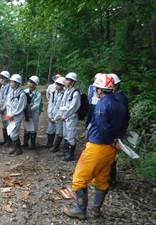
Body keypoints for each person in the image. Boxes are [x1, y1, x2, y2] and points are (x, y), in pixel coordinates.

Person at [63, 74, 129, 220]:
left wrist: (111, 139)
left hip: (98, 146)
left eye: (96, 89)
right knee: (102, 178)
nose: (95, 92)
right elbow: (125, 123)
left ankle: (80, 209)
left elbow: (102, 126)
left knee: (79, 179)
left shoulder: (102, 104)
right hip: (111, 149)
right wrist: (117, 140)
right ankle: (96, 209)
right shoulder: (121, 103)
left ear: (100, 90)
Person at [109, 73, 130, 187]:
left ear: (115, 85)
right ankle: (108, 178)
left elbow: (121, 118)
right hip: (113, 132)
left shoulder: (120, 98)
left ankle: (111, 180)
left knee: (111, 157)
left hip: (116, 133)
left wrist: (117, 136)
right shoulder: (115, 97)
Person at [59, 72, 81, 161]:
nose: (65, 81)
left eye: (68, 80)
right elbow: (62, 104)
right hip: (64, 116)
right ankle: (65, 152)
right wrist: (62, 114)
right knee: (65, 135)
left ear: (72, 82)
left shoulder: (75, 93)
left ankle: (70, 155)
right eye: (66, 79)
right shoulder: (66, 91)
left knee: (70, 136)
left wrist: (65, 115)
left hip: (71, 117)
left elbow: (73, 107)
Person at [5, 74, 27, 156]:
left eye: (12, 82)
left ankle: (19, 149)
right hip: (10, 115)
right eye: (10, 82)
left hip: (17, 116)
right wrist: (8, 114)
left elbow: (20, 108)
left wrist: (12, 115)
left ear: (17, 83)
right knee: (11, 132)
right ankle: (15, 148)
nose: (10, 83)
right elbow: (8, 103)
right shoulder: (11, 92)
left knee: (14, 133)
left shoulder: (22, 94)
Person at [46, 77, 66, 152]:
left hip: (59, 116)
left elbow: (63, 107)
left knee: (59, 131)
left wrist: (57, 116)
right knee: (50, 130)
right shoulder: (53, 93)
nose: (57, 85)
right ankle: (49, 144)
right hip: (52, 114)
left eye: (59, 84)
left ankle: (56, 147)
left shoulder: (64, 94)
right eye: (56, 84)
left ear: (62, 85)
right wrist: (49, 114)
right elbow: (50, 103)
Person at [23, 75, 42, 149]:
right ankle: (25, 143)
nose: (30, 84)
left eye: (32, 82)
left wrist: (29, 109)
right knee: (26, 127)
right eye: (30, 82)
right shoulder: (25, 91)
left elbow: (37, 105)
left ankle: (33, 144)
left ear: (35, 84)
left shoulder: (38, 94)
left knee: (33, 128)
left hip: (34, 113)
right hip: (26, 112)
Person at [0, 71, 12, 147]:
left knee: (8, 124)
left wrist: (3, 108)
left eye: (1, 78)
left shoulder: (9, 87)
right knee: (4, 124)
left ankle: (9, 141)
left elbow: (8, 99)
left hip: (7, 109)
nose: (0, 79)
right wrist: (0, 107)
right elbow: (1, 98)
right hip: (2, 109)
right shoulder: (2, 87)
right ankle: (5, 140)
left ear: (5, 79)